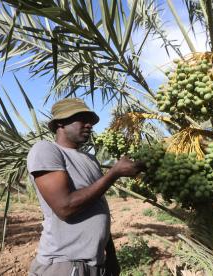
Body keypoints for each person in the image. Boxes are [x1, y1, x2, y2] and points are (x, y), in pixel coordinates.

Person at [27, 98, 144, 276]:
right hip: (65, 263)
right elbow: (64, 207)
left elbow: (99, 209)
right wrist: (113, 174)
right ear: (60, 122)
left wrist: (111, 257)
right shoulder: (46, 150)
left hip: (96, 263)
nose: (89, 125)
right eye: (82, 119)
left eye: (91, 121)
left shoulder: (90, 160)